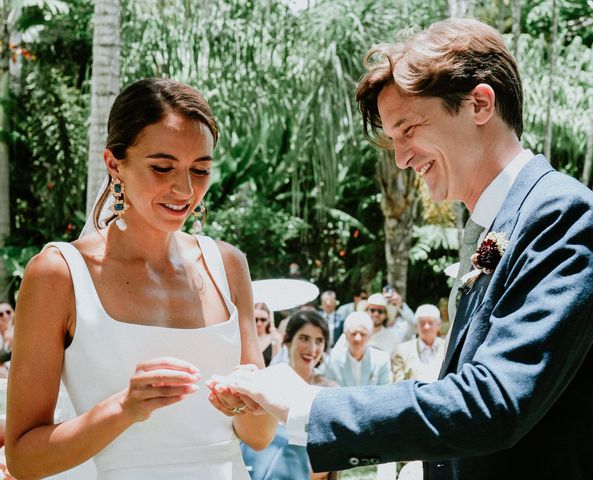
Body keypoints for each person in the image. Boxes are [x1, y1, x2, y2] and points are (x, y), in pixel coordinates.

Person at [209, 18, 593, 479]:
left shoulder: (563, 217)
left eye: (408, 128)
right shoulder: (509, 220)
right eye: (393, 140)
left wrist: (307, 403)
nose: (400, 157)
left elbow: (494, 402)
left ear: (479, 103)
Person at [5, 78, 275, 479]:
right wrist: (123, 408)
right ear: (114, 163)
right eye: (162, 167)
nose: (184, 189)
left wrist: (248, 403)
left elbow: (259, 436)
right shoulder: (59, 274)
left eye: (200, 170)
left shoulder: (229, 266)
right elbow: (23, 459)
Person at [239, 310, 337, 480]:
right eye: (304, 338)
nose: (312, 349)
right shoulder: (267, 383)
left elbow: (333, 452)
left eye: (319, 341)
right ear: (288, 341)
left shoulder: (329, 391)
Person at [325, 312, 391, 387]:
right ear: (346, 335)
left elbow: (386, 391)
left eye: (363, 334)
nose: (358, 338)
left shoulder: (382, 359)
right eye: (353, 333)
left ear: (369, 336)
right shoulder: (332, 360)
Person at [392, 304, 444, 383]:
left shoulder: (448, 347)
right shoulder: (402, 351)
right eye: (422, 323)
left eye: (430, 322)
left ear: (439, 325)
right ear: (417, 326)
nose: (426, 327)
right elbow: (398, 385)